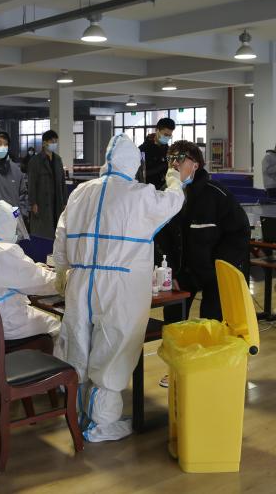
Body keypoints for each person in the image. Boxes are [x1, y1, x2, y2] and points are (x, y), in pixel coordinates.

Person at [52, 133, 185, 442]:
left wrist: (61, 273)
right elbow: (173, 201)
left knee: (80, 346)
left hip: (81, 281)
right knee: (114, 351)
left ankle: (77, 413)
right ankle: (102, 424)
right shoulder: (139, 194)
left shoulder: (81, 192)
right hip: (120, 286)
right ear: (134, 164)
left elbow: (60, 236)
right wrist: (175, 178)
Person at [159, 140, 250, 323]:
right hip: (181, 274)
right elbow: (161, 237)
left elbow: (239, 232)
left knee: (211, 324)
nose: (174, 163)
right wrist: (169, 273)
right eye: (170, 158)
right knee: (173, 325)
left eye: (180, 158)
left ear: (195, 165)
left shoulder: (216, 194)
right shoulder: (165, 196)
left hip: (212, 273)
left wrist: (219, 266)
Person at [0, 200, 60, 340]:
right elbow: (36, 281)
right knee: (57, 326)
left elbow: (7, 272)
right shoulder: (4, 251)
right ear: (7, 225)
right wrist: (63, 280)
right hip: (6, 321)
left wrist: (34, 268)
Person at [27, 130, 67, 239]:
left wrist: (64, 201)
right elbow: (31, 183)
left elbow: (62, 182)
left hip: (57, 200)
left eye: (55, 141)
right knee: (43, 231)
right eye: (52, 141)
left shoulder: (58, 160)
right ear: (44, 143)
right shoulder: (35, 161)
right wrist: (33, 203)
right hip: (42, 201)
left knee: (57, 227)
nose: (54, 144)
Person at [138, 117, 175, 189]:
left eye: (169, 136)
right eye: (165, 135)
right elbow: (140, 174)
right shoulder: (143, 150)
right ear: (157, 130)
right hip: (148, 189)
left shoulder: (169, 150)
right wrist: (163, 166)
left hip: (165, 188)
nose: (167, 138)